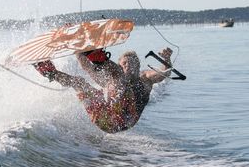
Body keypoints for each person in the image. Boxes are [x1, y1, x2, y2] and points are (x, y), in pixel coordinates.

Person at [34, 47, 173, 133]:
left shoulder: (145, 78)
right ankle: (46, 69)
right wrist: (78, 49)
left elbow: (163, 73)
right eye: (124, 63)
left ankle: (94, 53)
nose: (128, 66)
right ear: (120, 64)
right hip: (103, 119)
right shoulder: (110, 80)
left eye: (132, 63)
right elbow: (86, 67)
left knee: (119, 78)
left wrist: (166, 60)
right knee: (79, 83)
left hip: (125, 121)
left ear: (139, 66)